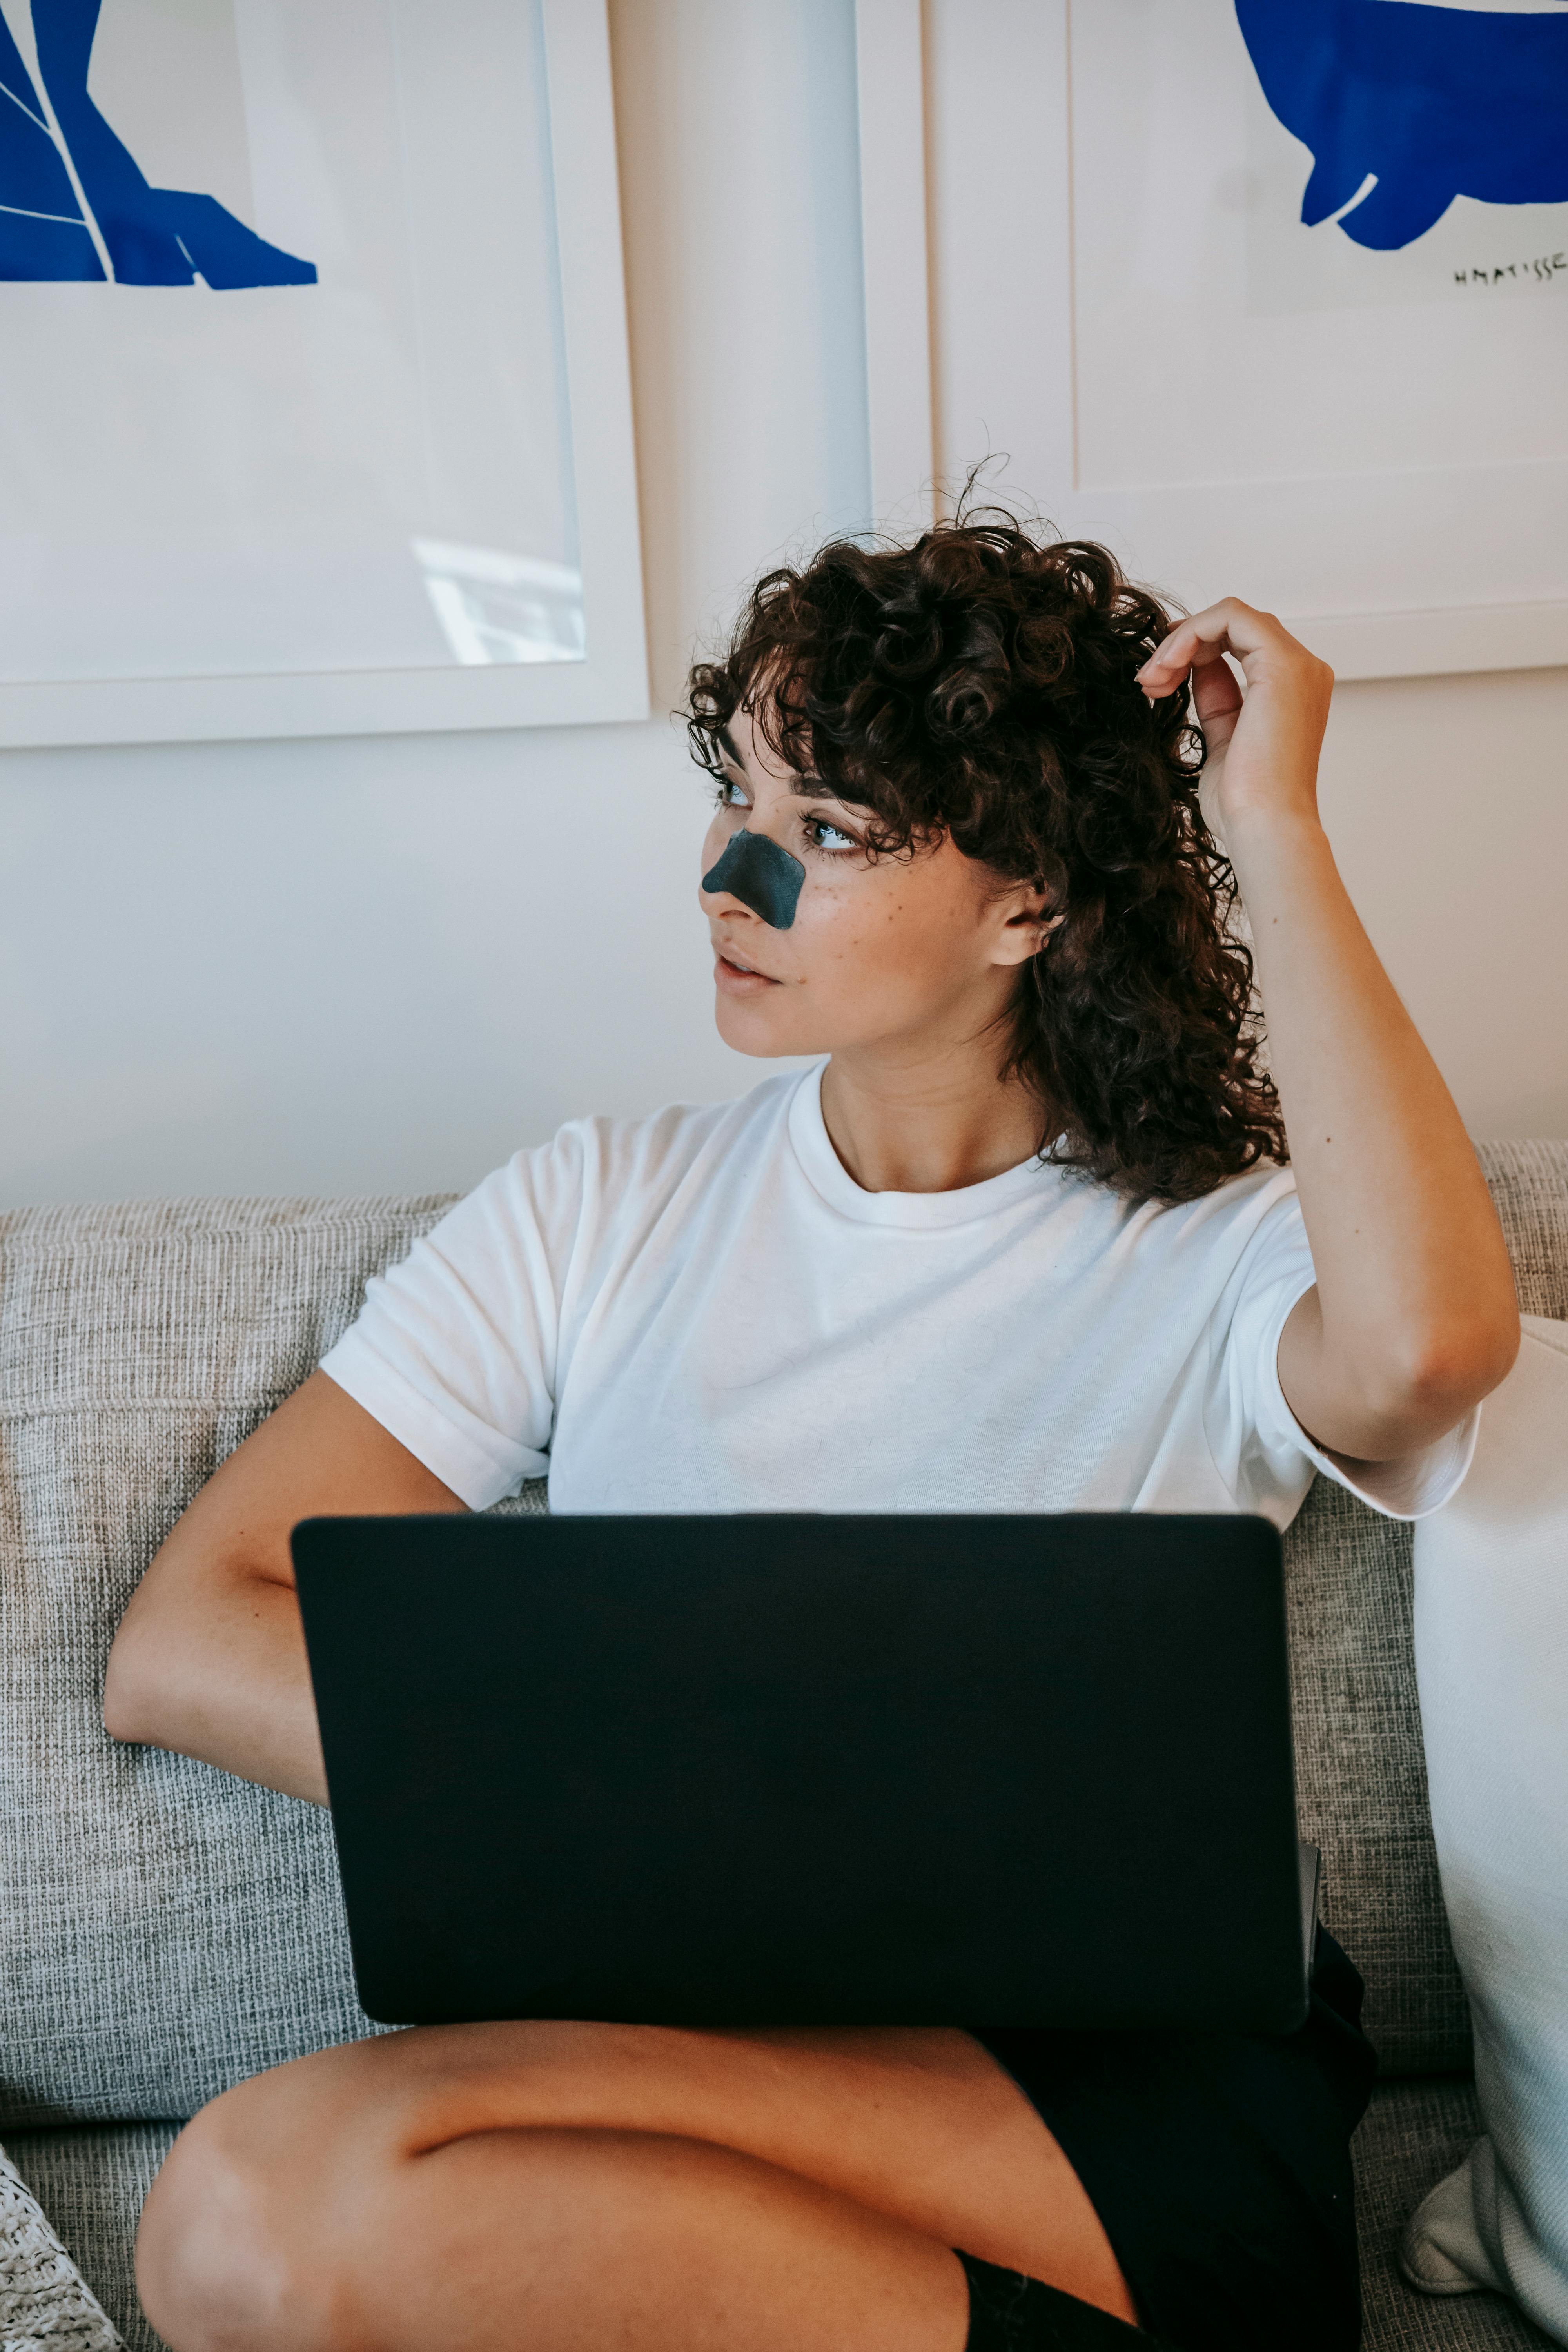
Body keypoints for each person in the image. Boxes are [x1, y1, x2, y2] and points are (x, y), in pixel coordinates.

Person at [102, 518, 1519, 2352]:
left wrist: (1276, 828)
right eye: (738, 796)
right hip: (706, 2032)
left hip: (1104, 2094)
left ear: (1034, 904)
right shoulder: (594, 1207)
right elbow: (183, 1640)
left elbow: (1426, 1352)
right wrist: (702, 1809)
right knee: (246, 2211)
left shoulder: (1227, 1250)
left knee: (255, 2212)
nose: (732, 879)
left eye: (832, 831)